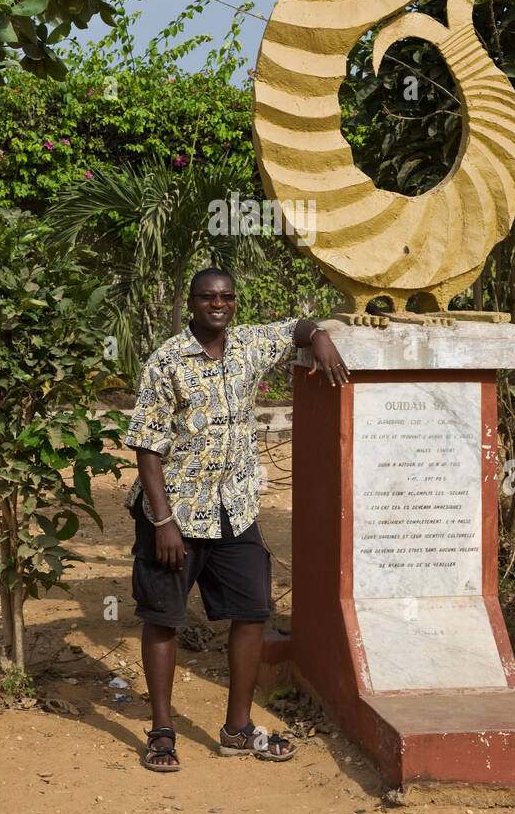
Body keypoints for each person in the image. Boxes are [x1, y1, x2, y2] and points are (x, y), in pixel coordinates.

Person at [123, 267, 350, 771]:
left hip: (236, 507)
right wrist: (163, 522)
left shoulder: (249, 345)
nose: (218, 304)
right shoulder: (167, 361)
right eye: (207, 297)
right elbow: (147, 445)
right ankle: (162, 732)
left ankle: (237, 729)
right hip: (176, 514)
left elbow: (296, 326)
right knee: (163, 619)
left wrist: (321, 336)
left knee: (252, 613)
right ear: (192, 301)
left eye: (225, 297)